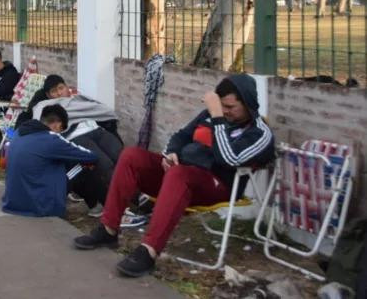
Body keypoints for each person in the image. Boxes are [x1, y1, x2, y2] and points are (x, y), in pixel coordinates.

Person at [73, 74, 275, 277]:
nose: (225, 111)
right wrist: (170, 153)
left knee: (180, 175)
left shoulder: (259, 133)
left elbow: (229, 159)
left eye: (230, 107)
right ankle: (108, 230)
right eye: (222, 106)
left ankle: (149, 252)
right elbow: (182, 136)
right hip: (179, 176)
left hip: (218, 185)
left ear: (248, 104)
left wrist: (218, 118)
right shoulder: (210, 115)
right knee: (131, 156)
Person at [29, 75, 123, 216]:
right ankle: (127, 203)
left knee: (122, 157)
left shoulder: (79, 100)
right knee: (105, 164)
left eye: (61, 88)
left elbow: (100, 110)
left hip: (96, 130)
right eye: (54, 91)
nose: (60, 93)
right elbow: (40, 122)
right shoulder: (45, 106)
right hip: (76, 137)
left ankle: (143, 197)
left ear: (67, 87)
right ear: (48, 95)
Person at [2, 105, 97, 217]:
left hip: (12, 203)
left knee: (55, 160)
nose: (60, 134)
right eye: (61, 131)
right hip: (42, 207)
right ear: (58, 125)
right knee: (83, 165)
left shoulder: (20, 132)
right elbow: (91, 156)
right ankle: (96, 207)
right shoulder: (51, 138)